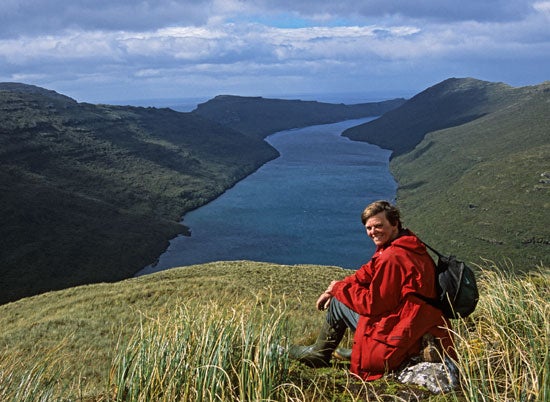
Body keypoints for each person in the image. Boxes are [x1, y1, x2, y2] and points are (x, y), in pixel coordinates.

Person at [289, 200, 456, 381]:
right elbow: (367, 272)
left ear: (394, 224)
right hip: (416, 320)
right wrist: (335, 287)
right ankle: (353, 349)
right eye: (368, 228)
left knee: (339, 302)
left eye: (378, 226)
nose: (372, 232)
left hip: (403, 328)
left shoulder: (393, 257)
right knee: (342, 295)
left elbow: (373, 304)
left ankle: (319, 354)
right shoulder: (406, 243)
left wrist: (338, 290)